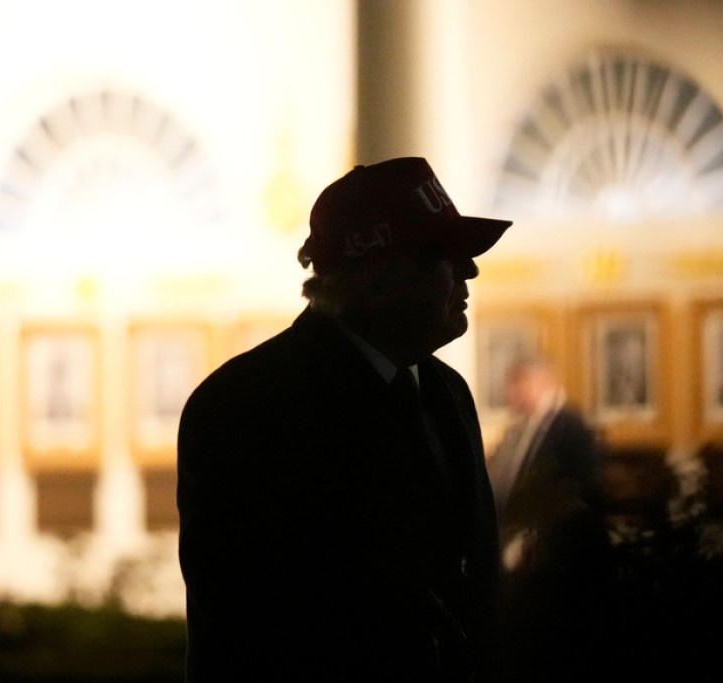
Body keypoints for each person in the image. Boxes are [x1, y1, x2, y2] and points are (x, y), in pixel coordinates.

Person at [177, 157, 511, 682]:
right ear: (378, 279)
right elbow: (246, 625)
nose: (469, 271)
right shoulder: (245, 407)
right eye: (442, 255)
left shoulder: (449, 393)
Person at [487, 354, 608, 682]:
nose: (511, 396)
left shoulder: (571, 428)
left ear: (536, 382)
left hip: (555, 570)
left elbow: (581, 494)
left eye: (515, 387)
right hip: (519, 572)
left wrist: (537, 541)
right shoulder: (519, 431)